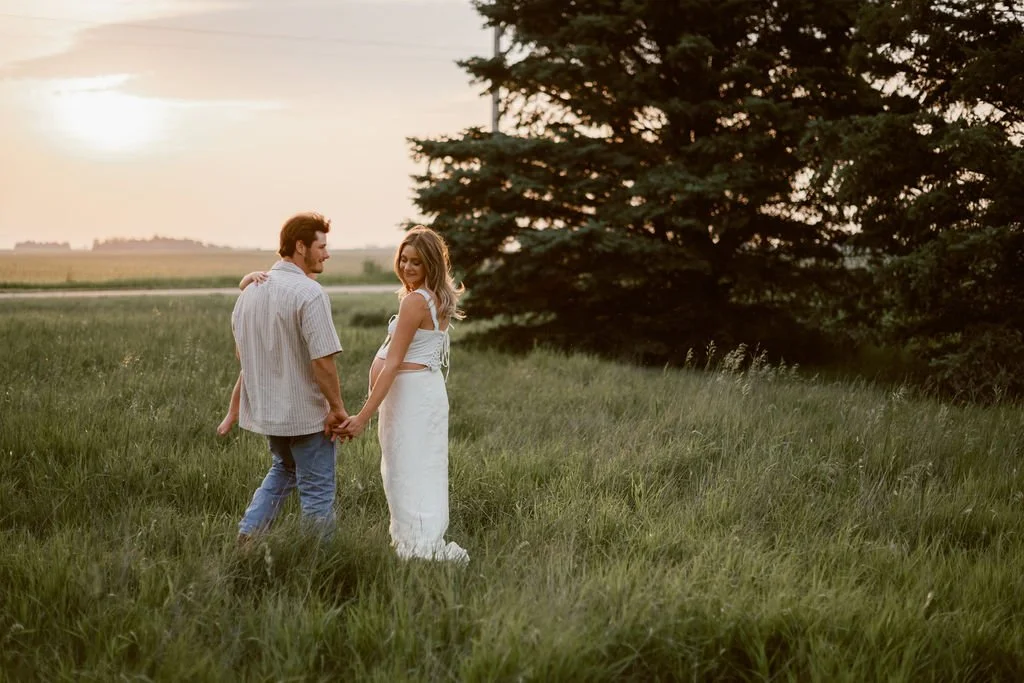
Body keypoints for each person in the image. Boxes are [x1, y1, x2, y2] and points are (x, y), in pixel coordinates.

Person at [337, 226, 468, 563]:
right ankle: (420, 539)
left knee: (406, 470)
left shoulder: (415, 301)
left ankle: (416, 547)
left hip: (410, 398)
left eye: (416, 262)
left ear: (431, 265)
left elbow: (394, 363)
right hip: (426, 392)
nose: (407, 267)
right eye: (404, 259)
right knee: (421, 468)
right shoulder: (435, 297)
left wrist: (362, 417)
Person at [230, 212, 348, 541]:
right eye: (321, 247)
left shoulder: (249, 293)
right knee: (318, 493)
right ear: (300, 246)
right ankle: (318, 563)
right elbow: (323, 360)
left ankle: (250, 534)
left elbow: (242, 355)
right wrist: (337, 409)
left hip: (270, 414)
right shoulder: (310, 293)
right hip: (307, 416)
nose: (327, 254)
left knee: (284, 470)